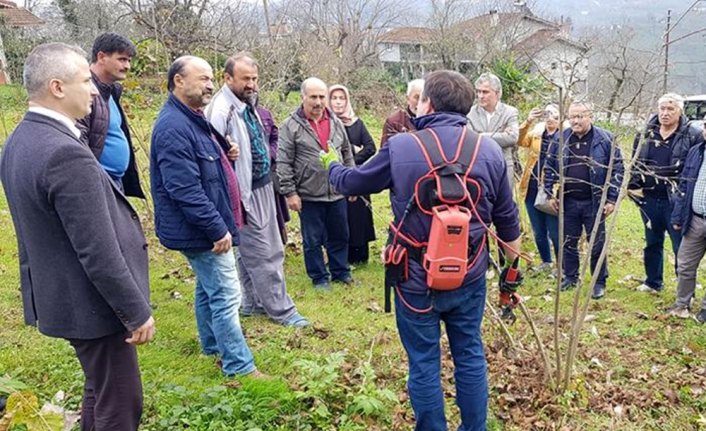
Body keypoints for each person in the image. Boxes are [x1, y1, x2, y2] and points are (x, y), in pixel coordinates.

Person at [325, 70, 521, 431]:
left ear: (427, 103)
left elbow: (355, 182)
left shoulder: (402, 147)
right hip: (470, 273)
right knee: (470, 354)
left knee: (424, 362)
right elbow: (509, 224)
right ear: (467, 105)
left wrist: (331, 167)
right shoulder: (489, 150)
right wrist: (510, 280)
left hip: (414, 278)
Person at [0, 43, 155, 430]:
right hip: (93, 305)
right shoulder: (63, 152)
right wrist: (133, 311)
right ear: (56, 87)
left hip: (64, 296)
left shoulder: (21, 139)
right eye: (85, 80)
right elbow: (97, 250)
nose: (92, 89)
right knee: (121, 402)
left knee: (99, 389)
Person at [150, 56, 260, 377]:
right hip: (200, 228)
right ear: (178, 81)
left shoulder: (191, 117)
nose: (210, 84)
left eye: (211, 78)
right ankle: (239, 366)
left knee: (207, 286)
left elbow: (201, 161)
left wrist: (224, 151)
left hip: (205, 224)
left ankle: (211, 344)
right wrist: (216, 229)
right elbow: (183, 189)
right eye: (202, 78)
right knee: (227, 294)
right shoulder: (172, 126)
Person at [205, 52, 308, 327]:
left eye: (254, 78)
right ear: (227, 78)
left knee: (260, 248)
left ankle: (252, 302)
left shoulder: (246, 103)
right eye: (245, 79)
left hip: (263, 186)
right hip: (242, 192)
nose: (251, 84)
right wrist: (228, 156)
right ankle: (283, 311)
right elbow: (210, 156)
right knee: (264, 252)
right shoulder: (220, 110)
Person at [277, 77, 355, 289]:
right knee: (312, 239)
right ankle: (319, 277)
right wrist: (290, 192)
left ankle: (341, 272)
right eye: (313, 97)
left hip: (337, 191)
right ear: (303, 97)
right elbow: (283, 161)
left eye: (322, 97)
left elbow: (346, 153)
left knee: (340, 235)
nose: (318, 102)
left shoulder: (336, 122)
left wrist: (352, 181)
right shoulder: (290, 126)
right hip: (308, 194)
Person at [544, 101, 624, 300]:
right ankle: (570, 277)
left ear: (590, 116)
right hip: (568, 200)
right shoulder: (561, 139)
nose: (576, 121)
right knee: (568, 241)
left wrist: (612, 198)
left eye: (580, 116)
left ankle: (599, 281)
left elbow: (618, 170)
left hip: (594, 202)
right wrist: (550, 193)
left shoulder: (605, 139)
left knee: (596, 242)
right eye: (572, 117)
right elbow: (549, 167)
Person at [629, 93, 703, 294]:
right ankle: (653, 282)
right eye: (662, 108)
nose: (665, 113)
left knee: (681, 246)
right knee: (652, 242)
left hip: (676, 201)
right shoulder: (645, 133)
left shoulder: (692, 134)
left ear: (680, 111)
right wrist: (634, 188)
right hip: (649, 198)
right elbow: (636, 163)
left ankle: (685, 287)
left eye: (670, 109)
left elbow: (695, 166)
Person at [77, 32, 144, 198]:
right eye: (122, 59)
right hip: (98, 185)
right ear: (101, 57)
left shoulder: (111, 91)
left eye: (129, 60)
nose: (128, 66)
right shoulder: (84, 94)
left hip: (116, 183)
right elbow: (79, 146)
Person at [328, 84, 376, 264]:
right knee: (340, 217)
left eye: (342, 98)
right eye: (334, 98)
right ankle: (341, 255)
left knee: (358, 216)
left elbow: (371, 147)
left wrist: (353, 159)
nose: (338, 102)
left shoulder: (357, 123)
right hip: (335, 175)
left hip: (356, 174)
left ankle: (360, 254)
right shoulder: (328, 124)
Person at [668, 118, 706, 323]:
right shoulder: (696, 151)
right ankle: (682, 303)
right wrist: (678, 215)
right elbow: (684, 185)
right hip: (695, 219)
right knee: (684, 264)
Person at [518, 105, 560, 271]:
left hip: (551, 189)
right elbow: (519, 140)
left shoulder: (565, 137)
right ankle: (546, 262)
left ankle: (561, 266)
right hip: (532, 186)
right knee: (538, 229)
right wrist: (528, 121)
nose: (550, 119)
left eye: (555, 116)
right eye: (547, 115)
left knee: (555, 230)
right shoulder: (537, 135)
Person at [467, 72, 520, 188]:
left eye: (485, 92)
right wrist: (501, 135)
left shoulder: (510, 112)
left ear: (497, 93)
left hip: (503, 166)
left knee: (505, 204)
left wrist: (480, 135)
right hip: (478, 167)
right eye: (478, 91)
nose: (480, 96)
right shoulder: (469, 113)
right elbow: (469, 140)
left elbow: (512, 138)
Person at [380, 78, 423, 147]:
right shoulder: (394, 122)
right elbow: (386, 152)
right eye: (417, 97)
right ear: (408, 99)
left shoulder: (432, 120)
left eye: (423, 98)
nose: (420, 102)